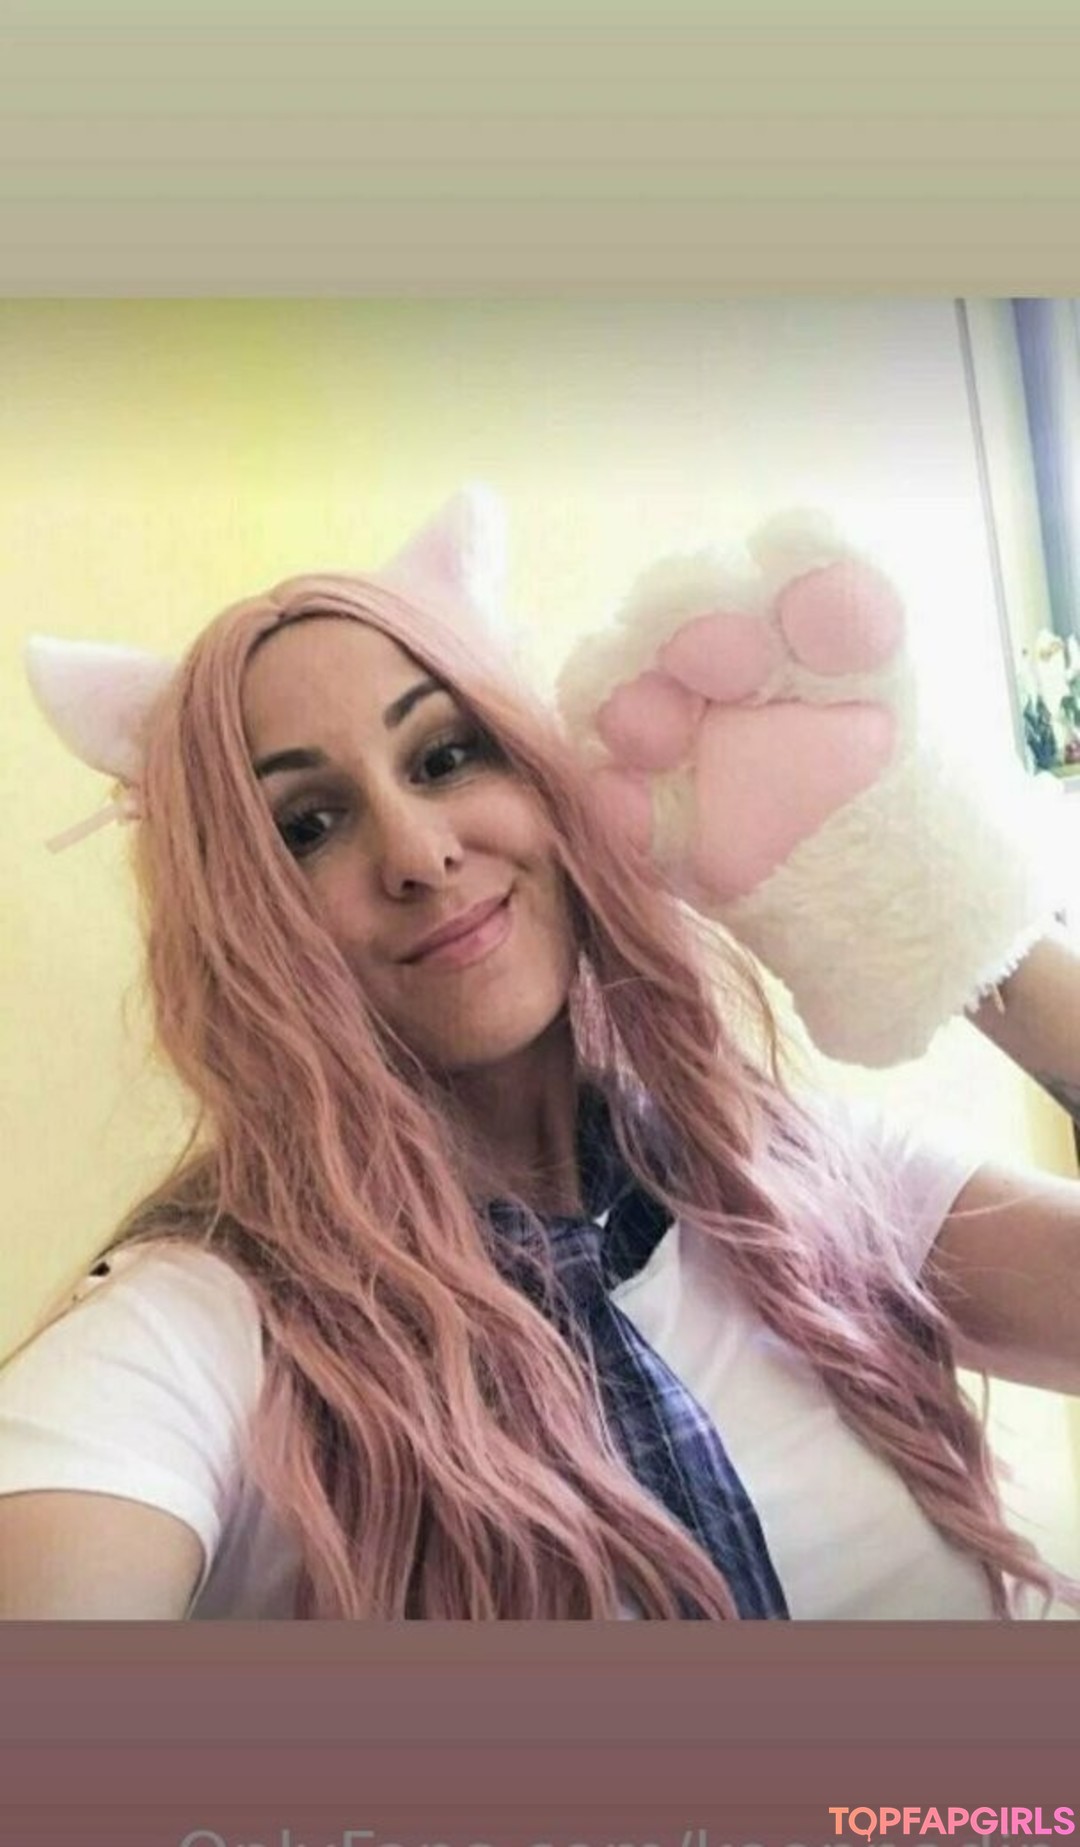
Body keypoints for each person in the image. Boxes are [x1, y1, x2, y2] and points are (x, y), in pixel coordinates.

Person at [4, 489, 1080, 1622]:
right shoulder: (200, 1328)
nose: (418, 852)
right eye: (307, 826)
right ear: (242, 922)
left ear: (548, 783)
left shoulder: (784, 1174)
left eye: (446, 756)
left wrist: (933, 909)